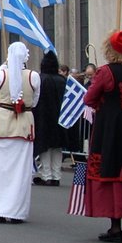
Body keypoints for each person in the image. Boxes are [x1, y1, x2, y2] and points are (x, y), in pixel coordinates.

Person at [83, 30, 122, 243]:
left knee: (112, 172)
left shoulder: (106, 72)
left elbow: (89, 97)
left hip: (111, 127)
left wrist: (103, 104)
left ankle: (116, 226)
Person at [0, 42, 40, 223]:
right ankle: (16, 210)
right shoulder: (34, 77)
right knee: (20, 170)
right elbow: (34, 101)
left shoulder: (1, 74)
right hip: (24, 125)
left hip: (3, 123)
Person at [33, 51, 67, 186]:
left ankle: (47, 175)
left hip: (43, 118)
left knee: (45, 148)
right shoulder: (62, 80)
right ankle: (56, 175)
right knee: (57, 148)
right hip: (60, 118)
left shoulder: (40, 79)